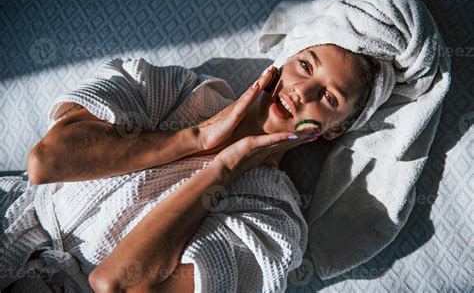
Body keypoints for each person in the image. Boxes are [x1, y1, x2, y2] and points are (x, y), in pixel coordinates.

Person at [1, 43, 379, 292]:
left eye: (329, 97)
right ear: (281, 65)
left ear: (335, 131)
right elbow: (45, 162)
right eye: (304, 65)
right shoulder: (178, 91)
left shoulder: (273, 225)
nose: (303, 91)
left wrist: (222, 170)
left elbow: (112, 283)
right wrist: (194, 137)